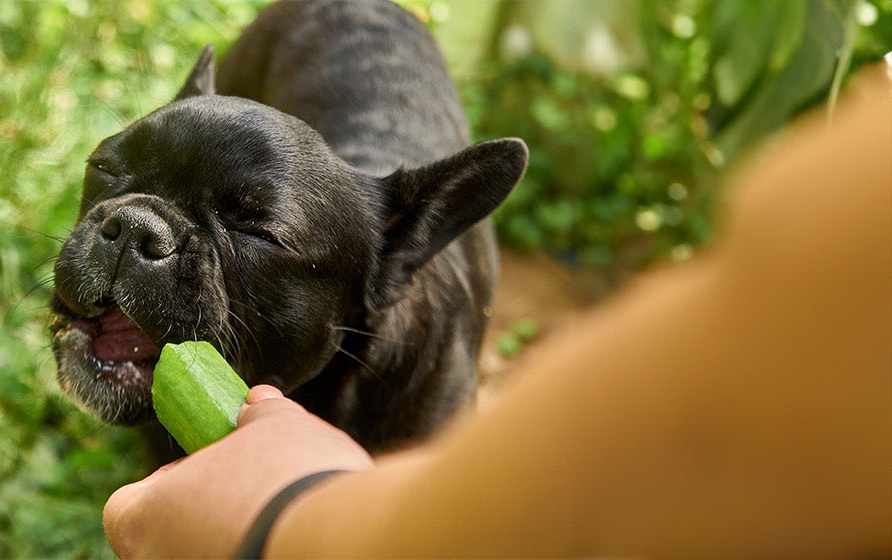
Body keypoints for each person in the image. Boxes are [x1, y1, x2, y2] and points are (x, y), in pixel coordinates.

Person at [103, 68, 892, 558]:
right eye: (108, 176)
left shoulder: (432, 410)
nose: (130, 232)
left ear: (400, 253)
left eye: (255, 231)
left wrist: (285, 525)